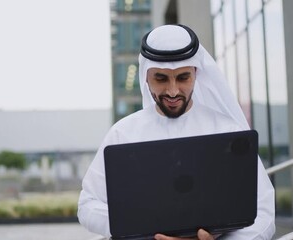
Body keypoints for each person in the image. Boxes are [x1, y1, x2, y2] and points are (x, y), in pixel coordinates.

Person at [78, 24, 275, 240]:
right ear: (146, 77)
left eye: (183, 78)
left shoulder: (227, 130)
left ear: (196, 74)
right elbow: (88, 204)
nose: (172, 91)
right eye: (161, 79)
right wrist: (141, 227)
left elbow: (263, 210)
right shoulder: (122, 134)